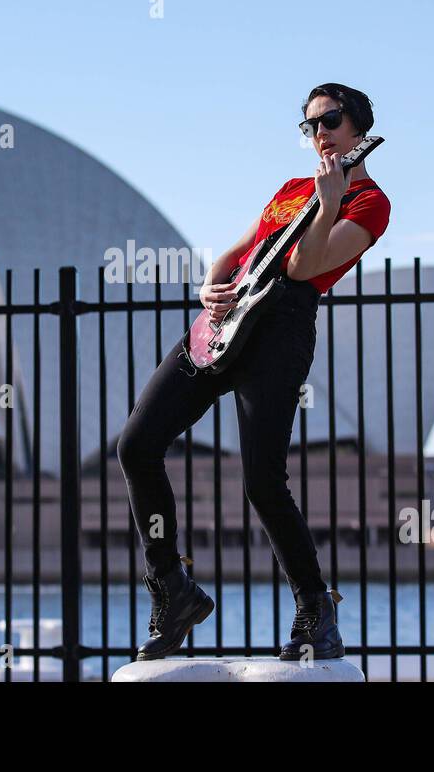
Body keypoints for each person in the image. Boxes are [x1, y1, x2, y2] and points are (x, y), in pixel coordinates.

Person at [117, 82, 392, 661]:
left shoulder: (370, 203)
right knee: (136, 445)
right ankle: (173, 587)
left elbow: (305, 263)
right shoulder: (292, 189)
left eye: (331, 120)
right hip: (225, 323)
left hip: (282, 330)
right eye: (310, 124)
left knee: (262, 481)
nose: (319, 133)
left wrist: (330, 202)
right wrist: (208, 285)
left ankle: (315, 607)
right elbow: (239, 249)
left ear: (359, 129)